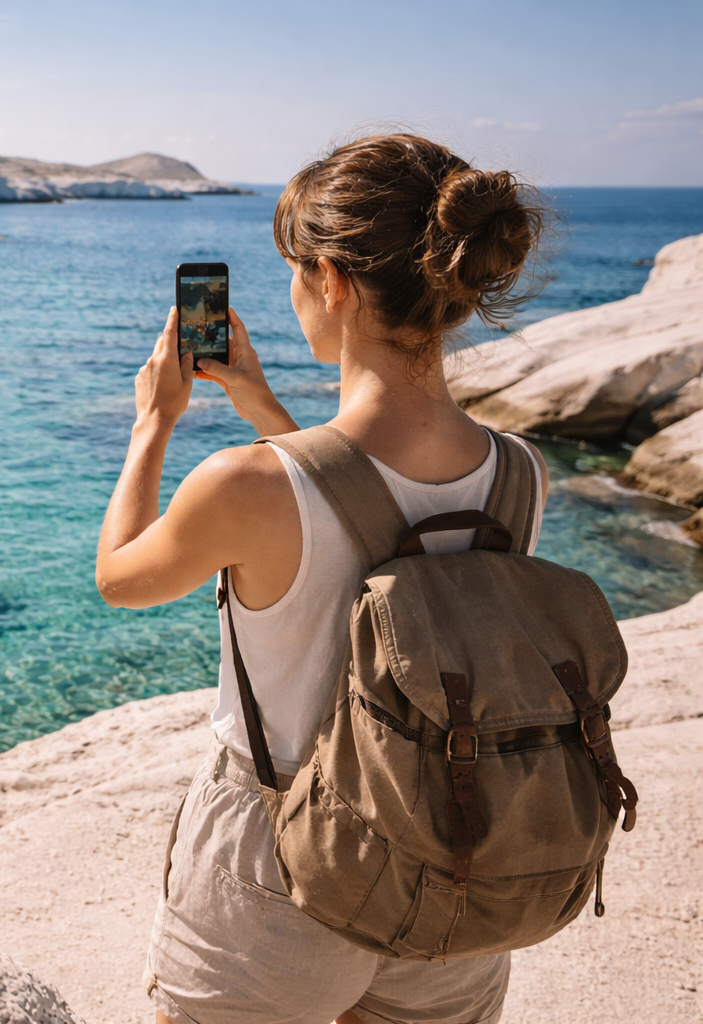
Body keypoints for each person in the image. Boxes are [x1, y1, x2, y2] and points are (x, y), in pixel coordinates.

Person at [95, 134, 549, 1024]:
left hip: (278, 875)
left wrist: (153, 423)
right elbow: (366, 516)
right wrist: (261, 406)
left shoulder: (244, 485)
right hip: (453, 864)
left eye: (296, 272)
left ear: (332, 280)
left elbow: (121, 578)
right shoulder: (519, 474)